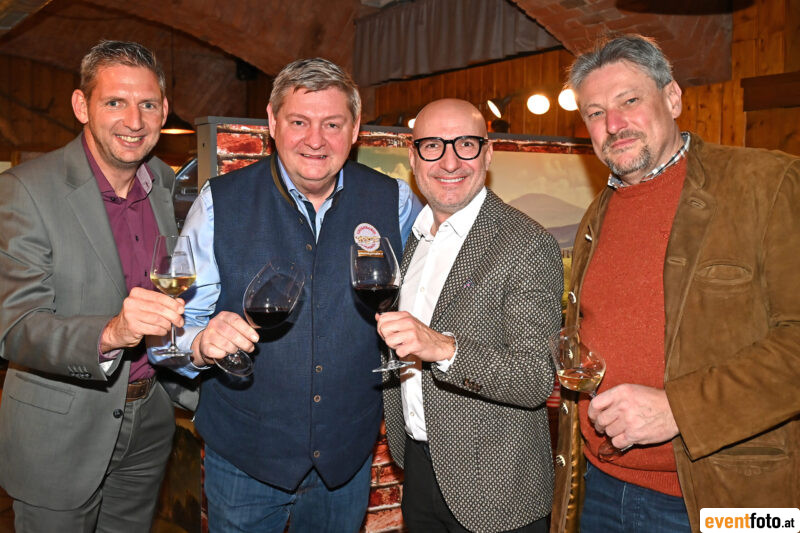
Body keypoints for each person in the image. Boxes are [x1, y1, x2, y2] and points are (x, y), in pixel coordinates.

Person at [151, 57, 420, 532]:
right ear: (273, 123)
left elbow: (422, 298)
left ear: (355, 128)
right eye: (299, 122)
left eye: (332, 124)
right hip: (245, 460)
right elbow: (166, 333)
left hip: (345, 460)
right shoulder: (218, 202)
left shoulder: (394, 201)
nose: (316, 140)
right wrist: (200, 342)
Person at [551, 34, 800, 533]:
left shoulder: (768, 183)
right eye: (595, 113)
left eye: (629, 101)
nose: (613, 124)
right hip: (600, 487)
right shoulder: (597, 214)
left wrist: (679, 410)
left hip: (725, 499)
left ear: (672, 98)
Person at [0, 40, 182, 532]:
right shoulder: (25, 190)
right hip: (60, 433)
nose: (134, 121)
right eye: (115, 102)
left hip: (149, 420)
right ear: (82, 106)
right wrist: (111, 333)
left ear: (164, 111)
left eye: (148, 104)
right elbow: (15, 327)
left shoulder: (165, 183)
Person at [377, 99, 563, 533]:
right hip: (418, 466)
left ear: (488, 153)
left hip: (497, 487)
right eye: (432, 146)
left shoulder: (526, 244)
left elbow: (535, 379)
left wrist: (444, 348)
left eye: (465, 144)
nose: (449, 162)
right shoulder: (414, 238)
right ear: (412, 157)